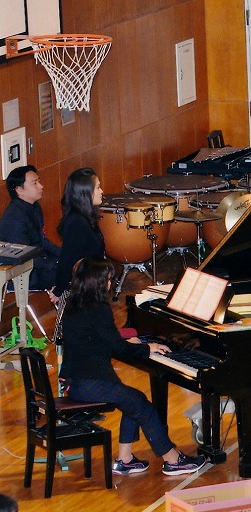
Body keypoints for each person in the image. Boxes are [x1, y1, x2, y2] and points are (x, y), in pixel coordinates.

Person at [59, 258, 206, 476]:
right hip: (88, 382)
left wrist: (127, 341)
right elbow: (118, 348)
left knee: (133, 400)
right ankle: (172, 460)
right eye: (107, 279)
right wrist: (147, 348)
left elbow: (94, 337)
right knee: (141, 405)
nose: (110, 284)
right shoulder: (98, 309)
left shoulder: (74, 305)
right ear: (97, 282)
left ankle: (125, 460)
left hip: (74, 379)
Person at [0, 165, 59, 294]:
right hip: (23, 272)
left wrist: (63, 255)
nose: (41, 186)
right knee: (71, 274)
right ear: (19, 190)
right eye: (34, 183)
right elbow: (22, 255)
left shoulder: (34, 207)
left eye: (39, 181)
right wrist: (54, 264)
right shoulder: (14, 218)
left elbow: (42, 241)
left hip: (37, 262)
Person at [52, 167, 104, 300]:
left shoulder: (85, 217)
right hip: (82, 291)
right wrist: (59, 290)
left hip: (90, 285)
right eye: (98, 188)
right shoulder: (77, 222)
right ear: (85, 192)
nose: (101, 191)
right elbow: (67, 258)